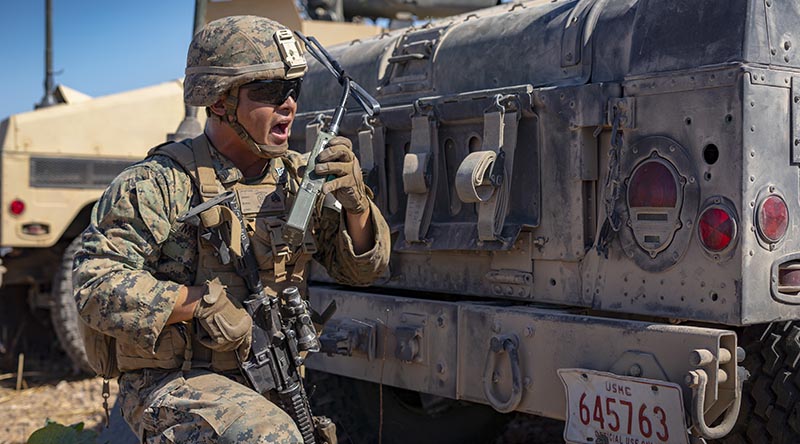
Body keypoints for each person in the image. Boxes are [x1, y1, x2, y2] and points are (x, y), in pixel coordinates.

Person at [73, 15, 390, 443]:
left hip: (269, 380)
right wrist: (196, 303)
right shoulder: (160, 183)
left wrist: (356, 206)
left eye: (293, 89)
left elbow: (363, 272)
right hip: (172, 383)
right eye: (268, 91)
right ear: (219, 101)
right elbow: (94, 284)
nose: (289, 105)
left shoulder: (299, 179)